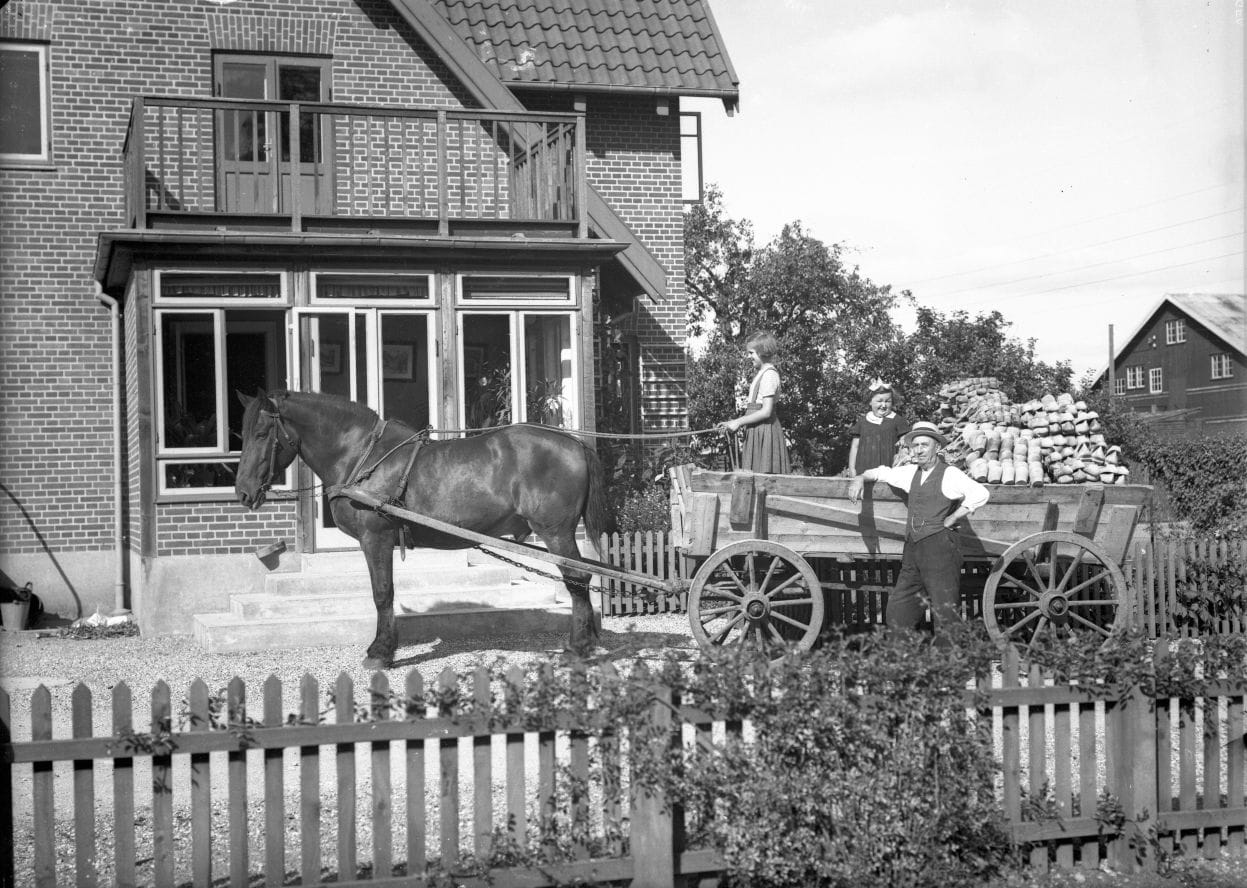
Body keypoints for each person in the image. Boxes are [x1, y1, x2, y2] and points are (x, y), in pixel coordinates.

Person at [848, 421, 989, 633]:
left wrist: (953, 518)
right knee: (898, 611)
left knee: (946, 611)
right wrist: (860, 478)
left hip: (940, 548)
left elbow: (981, 494)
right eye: (916, 446)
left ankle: (948, 663)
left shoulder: (950, 474)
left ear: (937, 447)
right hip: (913, 548)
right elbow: (881, 472)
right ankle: (905, 661)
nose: (919, 450)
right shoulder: (909, 473)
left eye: (925, 445)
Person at [717, 331, 790, 473]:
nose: (748, 357)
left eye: (751, 353)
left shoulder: (769, 375)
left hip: (764, 432)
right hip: (757, 430)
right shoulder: (762, 374)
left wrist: (738, 422)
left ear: (762, 353)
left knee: (764, 479)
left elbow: (766, 411)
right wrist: (733, 422)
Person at [847, 378, 908, 476]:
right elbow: (855, 447)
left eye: (887, 401)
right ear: (870, 402)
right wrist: (852, 469)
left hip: (890, 472)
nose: (883, 405)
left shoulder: (897, 420)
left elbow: (905, 445)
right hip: (863, 471)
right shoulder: (863, 422)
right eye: (879, 401)